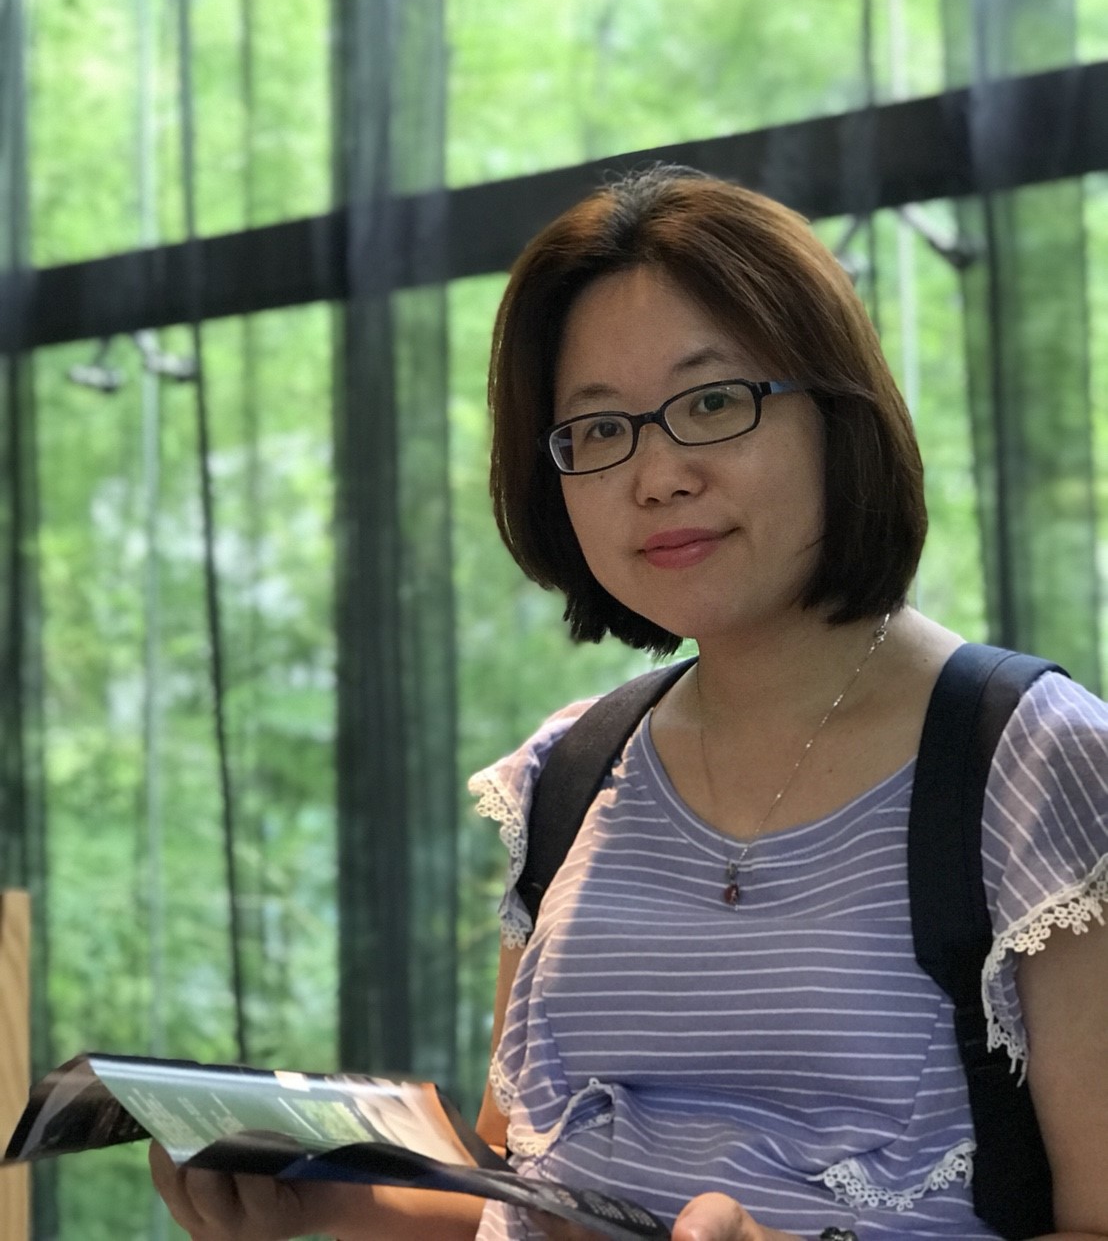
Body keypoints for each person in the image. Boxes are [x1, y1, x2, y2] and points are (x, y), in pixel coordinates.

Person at [150, 167, 1108, 1241]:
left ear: (841, 411)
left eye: (712, 402)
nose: (656, 477)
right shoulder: (571, 769)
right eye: (599, 430)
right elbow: (521, 1188)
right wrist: (322, 1196)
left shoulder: (1033, 760)